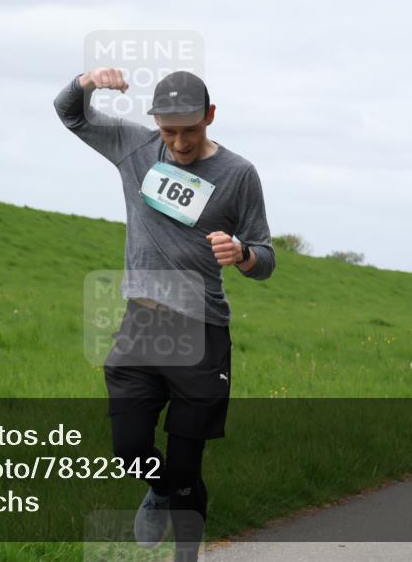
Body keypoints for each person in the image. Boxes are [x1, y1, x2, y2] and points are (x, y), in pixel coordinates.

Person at [53, 67, 276, 561]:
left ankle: (185, 555)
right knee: (130, 447)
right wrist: (88, 80)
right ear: (155, 123)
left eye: (190, 130)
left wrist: (242, 254)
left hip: (202, 331)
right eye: (169, 131)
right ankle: (156, 489)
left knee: (185, 461)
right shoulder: (135, 148)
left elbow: (265, 257)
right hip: (142, 325)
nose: (179, 142)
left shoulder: (239, 175)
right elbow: (69, 114)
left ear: (210, 117)